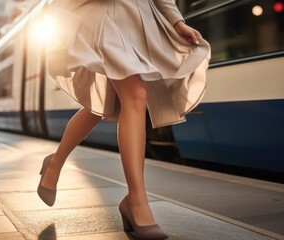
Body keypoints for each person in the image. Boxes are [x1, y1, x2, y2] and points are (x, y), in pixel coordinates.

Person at [38, 1, 211, 239]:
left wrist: (176, 21)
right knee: (136, 95)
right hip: (103, 13)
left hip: (140, 16)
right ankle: (137, 202)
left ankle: (55, 163)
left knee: (106, 104)